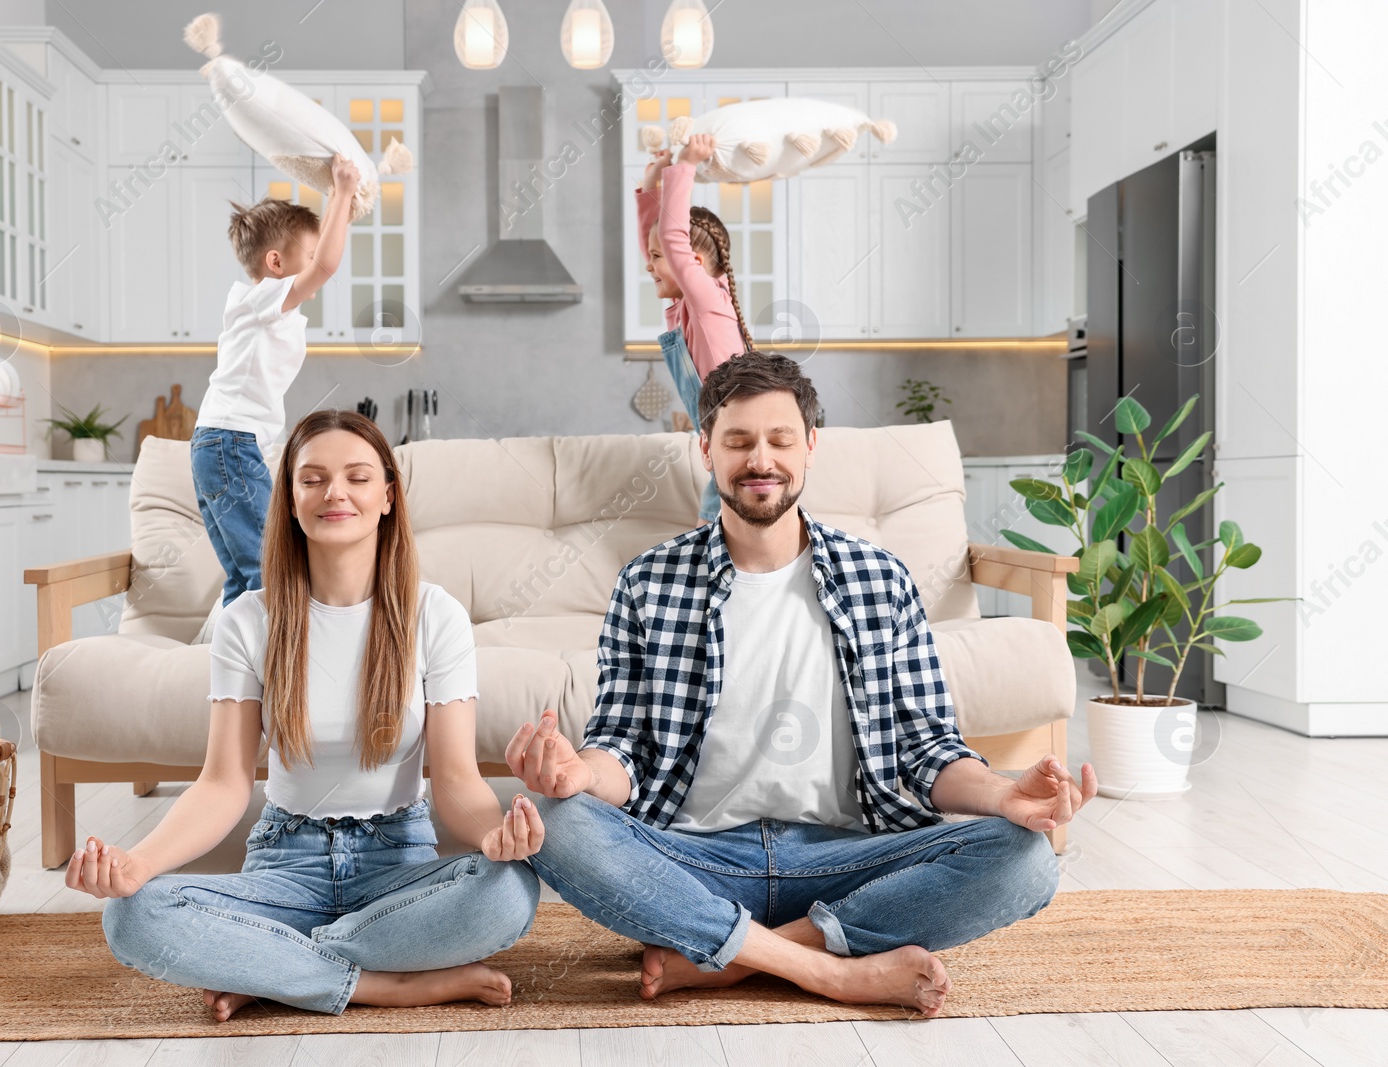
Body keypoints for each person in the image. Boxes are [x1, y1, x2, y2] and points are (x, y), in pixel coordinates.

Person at [505, 351, 1095, 1017]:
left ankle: (735, 958)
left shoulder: (880, 578)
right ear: (706, 449)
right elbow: (623, 751)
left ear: (811, 445)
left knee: (1027, 857)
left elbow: (926, 748)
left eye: (780, 439)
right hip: (697, 858)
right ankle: (831, 971)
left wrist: (1004, 793)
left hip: (848, 856)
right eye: (738, 440)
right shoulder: (649, 581)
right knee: (554, 821)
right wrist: (576, 774)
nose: (761, 458)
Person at [68, 409, 544, 1020]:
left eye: (357, 477)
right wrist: (139, 864)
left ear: (388, 497)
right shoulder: (249, 620)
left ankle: (271, 971)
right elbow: (223, 783)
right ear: (290, 500)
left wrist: (495, 837)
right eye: (312, 478)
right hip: (283, 866)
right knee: (132, 916)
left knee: (509, 891)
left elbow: (455, 780)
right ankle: (384, 983)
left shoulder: (435, 615)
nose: (335, 492)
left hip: (394, 864)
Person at [191, 158, 361, 606]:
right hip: (230, 444)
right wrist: (341, 193)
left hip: (221, 445)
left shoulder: (262, 305)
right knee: (272, 569)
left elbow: (319, 259)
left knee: (245, 575)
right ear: (275, 262)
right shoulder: (265, 295)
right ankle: (272, 667)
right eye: (304, 256)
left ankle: (228, 664)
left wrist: (338, 206)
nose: (313, 269)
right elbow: (325, 266)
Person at [638, 132, 753, 525]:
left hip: (736, 448)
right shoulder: (686, 306)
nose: (649, 265)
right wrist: (652, 183)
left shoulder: (708, 303)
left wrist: (684, 163)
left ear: (696, 262)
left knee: (711, 540)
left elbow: (669, 240)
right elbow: (660, 239)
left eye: (658, 258)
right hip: (724, 446)